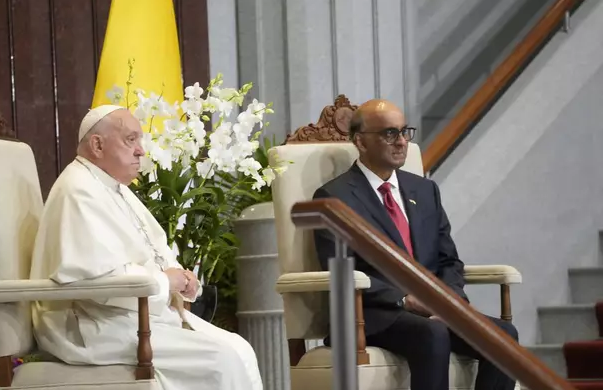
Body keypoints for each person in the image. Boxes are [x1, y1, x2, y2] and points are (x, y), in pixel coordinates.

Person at [30, 105, 263, 390]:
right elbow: (95, 279)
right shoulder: (77, 190)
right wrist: (164, 281)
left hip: (131, 315)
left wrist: (180, 278)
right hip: (92, 324)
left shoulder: (113, 188)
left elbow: (153, 251)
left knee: (240, 349)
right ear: (97, 144)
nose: (141, 150)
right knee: (222, 359)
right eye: (131, 140)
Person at [312, 99, 518, 390]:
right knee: (433, 332)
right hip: (373, 314)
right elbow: (338, 272)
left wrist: (450, 299)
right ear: (360, 141)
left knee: (504, 335)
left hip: (433, 310)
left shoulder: (424, 189)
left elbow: (449, 261)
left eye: (404, 132)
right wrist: (405, 300)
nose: (401, 142)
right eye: (388, 134)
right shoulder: (334, 198)